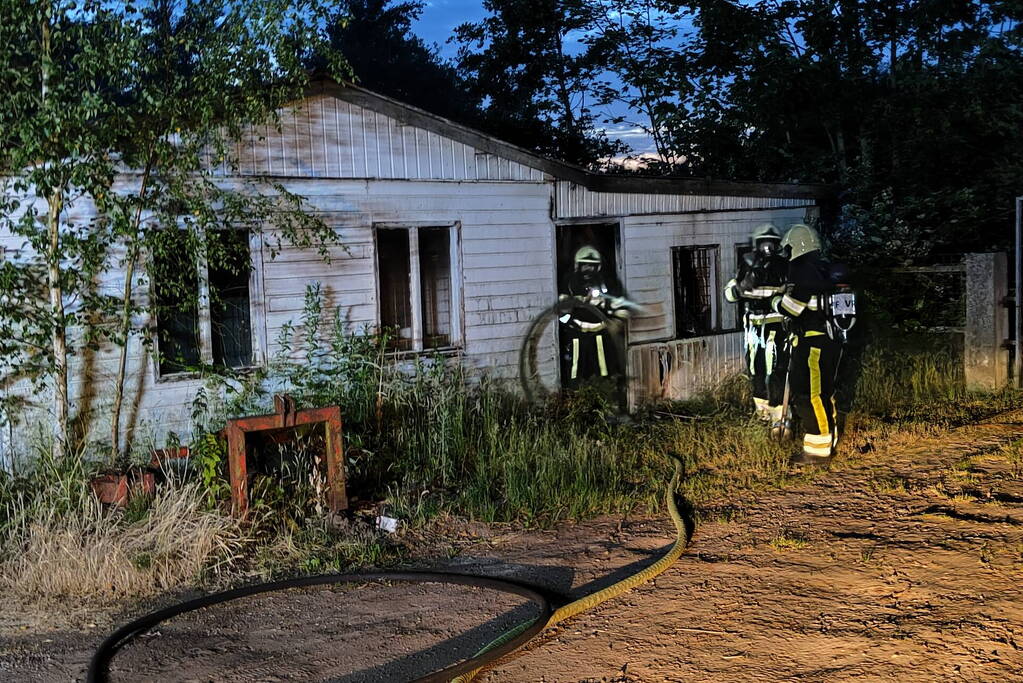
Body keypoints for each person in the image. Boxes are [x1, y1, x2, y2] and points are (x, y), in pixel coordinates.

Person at [771, 223, 843, 465]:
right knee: (821, 393)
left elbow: (793, 307)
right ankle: (824, 441)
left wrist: (777, 302)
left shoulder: (803, 269)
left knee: (808, 394)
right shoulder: (820, 268)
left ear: (797, 245)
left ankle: (818, 451)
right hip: (823, 340)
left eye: (788, 248)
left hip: (814, 341)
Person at [723, 223, 789, 424]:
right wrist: (742, 285)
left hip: (776, 327)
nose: (767, 247)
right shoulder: (746, 263)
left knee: (776, 371)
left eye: (771, 243)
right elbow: (729, 294)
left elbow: (792, 298)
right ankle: (762, 415)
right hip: (753, 327)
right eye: (763, 243)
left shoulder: (784, 266)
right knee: (756, 370)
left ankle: (779, 417)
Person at [559, 245, 631, 393]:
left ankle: (606, 399)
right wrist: (571, 316)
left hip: (600, 335)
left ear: (598, 267)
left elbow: (622, 308)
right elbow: (560, 312)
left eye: (591, 266)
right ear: (577, 265)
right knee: (575, 372)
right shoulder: (569, 283)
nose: (588, 269)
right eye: (584, 265)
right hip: (576, 336)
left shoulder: (607, 284)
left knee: (603, 370)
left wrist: (616, 322)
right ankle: (575, 399)